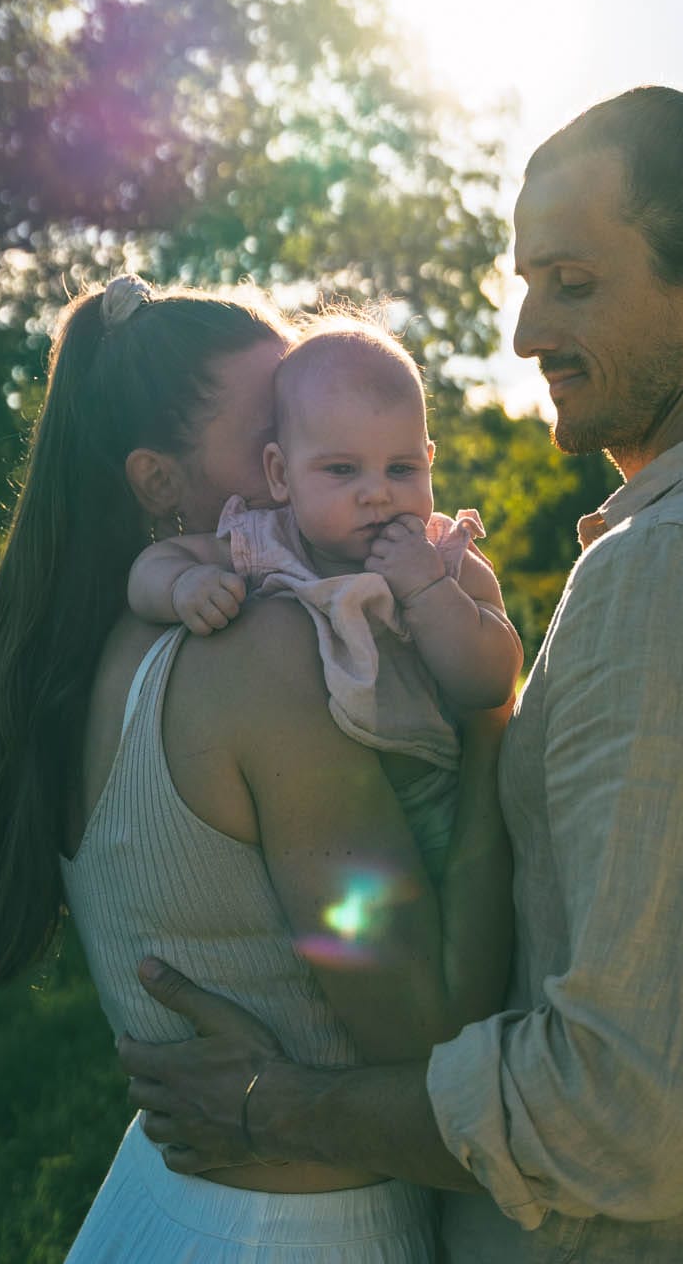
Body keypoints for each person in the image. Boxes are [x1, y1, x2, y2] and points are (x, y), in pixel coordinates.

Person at [118, 36, 683, 1264]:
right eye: (523, 277)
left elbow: (621, 1114)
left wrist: (279, 1106)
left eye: (577, 281)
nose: (527, 327)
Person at [0, 278, 513, 1264]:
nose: (297, 452)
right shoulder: (257, 655)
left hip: (159, 1241)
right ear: (161, 482)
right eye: (274, 431)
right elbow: (434, 1020)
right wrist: (496, 720)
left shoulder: (103, 645)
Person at [128, 315, 523, 880]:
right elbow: (155, 563)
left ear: (430, 461)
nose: (377, 493)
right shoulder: (267, 541)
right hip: (318, 806)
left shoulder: (443, 556)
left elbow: (493, 680)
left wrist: (429, 591)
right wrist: (182, 586)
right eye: (341, 470)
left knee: (469, 930)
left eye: (402, 468)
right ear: (281, 474)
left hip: (439, 798)